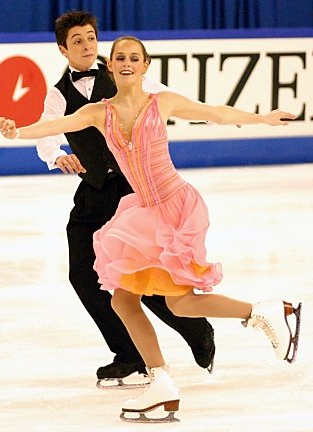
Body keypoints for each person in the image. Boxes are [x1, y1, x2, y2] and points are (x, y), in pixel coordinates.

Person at [0, 35, 301, 423]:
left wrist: (262, 119)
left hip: (175, 207)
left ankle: (265, 312)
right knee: (126, 300)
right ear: (111, 66)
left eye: (134, 58)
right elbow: (52, 125)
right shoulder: (97, 112)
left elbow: (215, 113)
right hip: (143, 211)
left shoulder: (162, 102)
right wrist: (15, 132)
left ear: (144, 66)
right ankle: (163, 381)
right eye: (120, 57)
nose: (126, 63)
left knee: (179, 302)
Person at [35, 10, 216, 387]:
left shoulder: (123, 74)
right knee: (83, 275)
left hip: (133, 192)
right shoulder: (58, 94)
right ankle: (129, 354)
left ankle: (195, 329)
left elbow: (164, 99)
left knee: (140, 279)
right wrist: (57, 155)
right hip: (94, 190)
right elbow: (47, 133)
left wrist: (212, 115)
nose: (86, 45)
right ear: (62, 49)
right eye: (77, 41)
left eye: (90, 38)